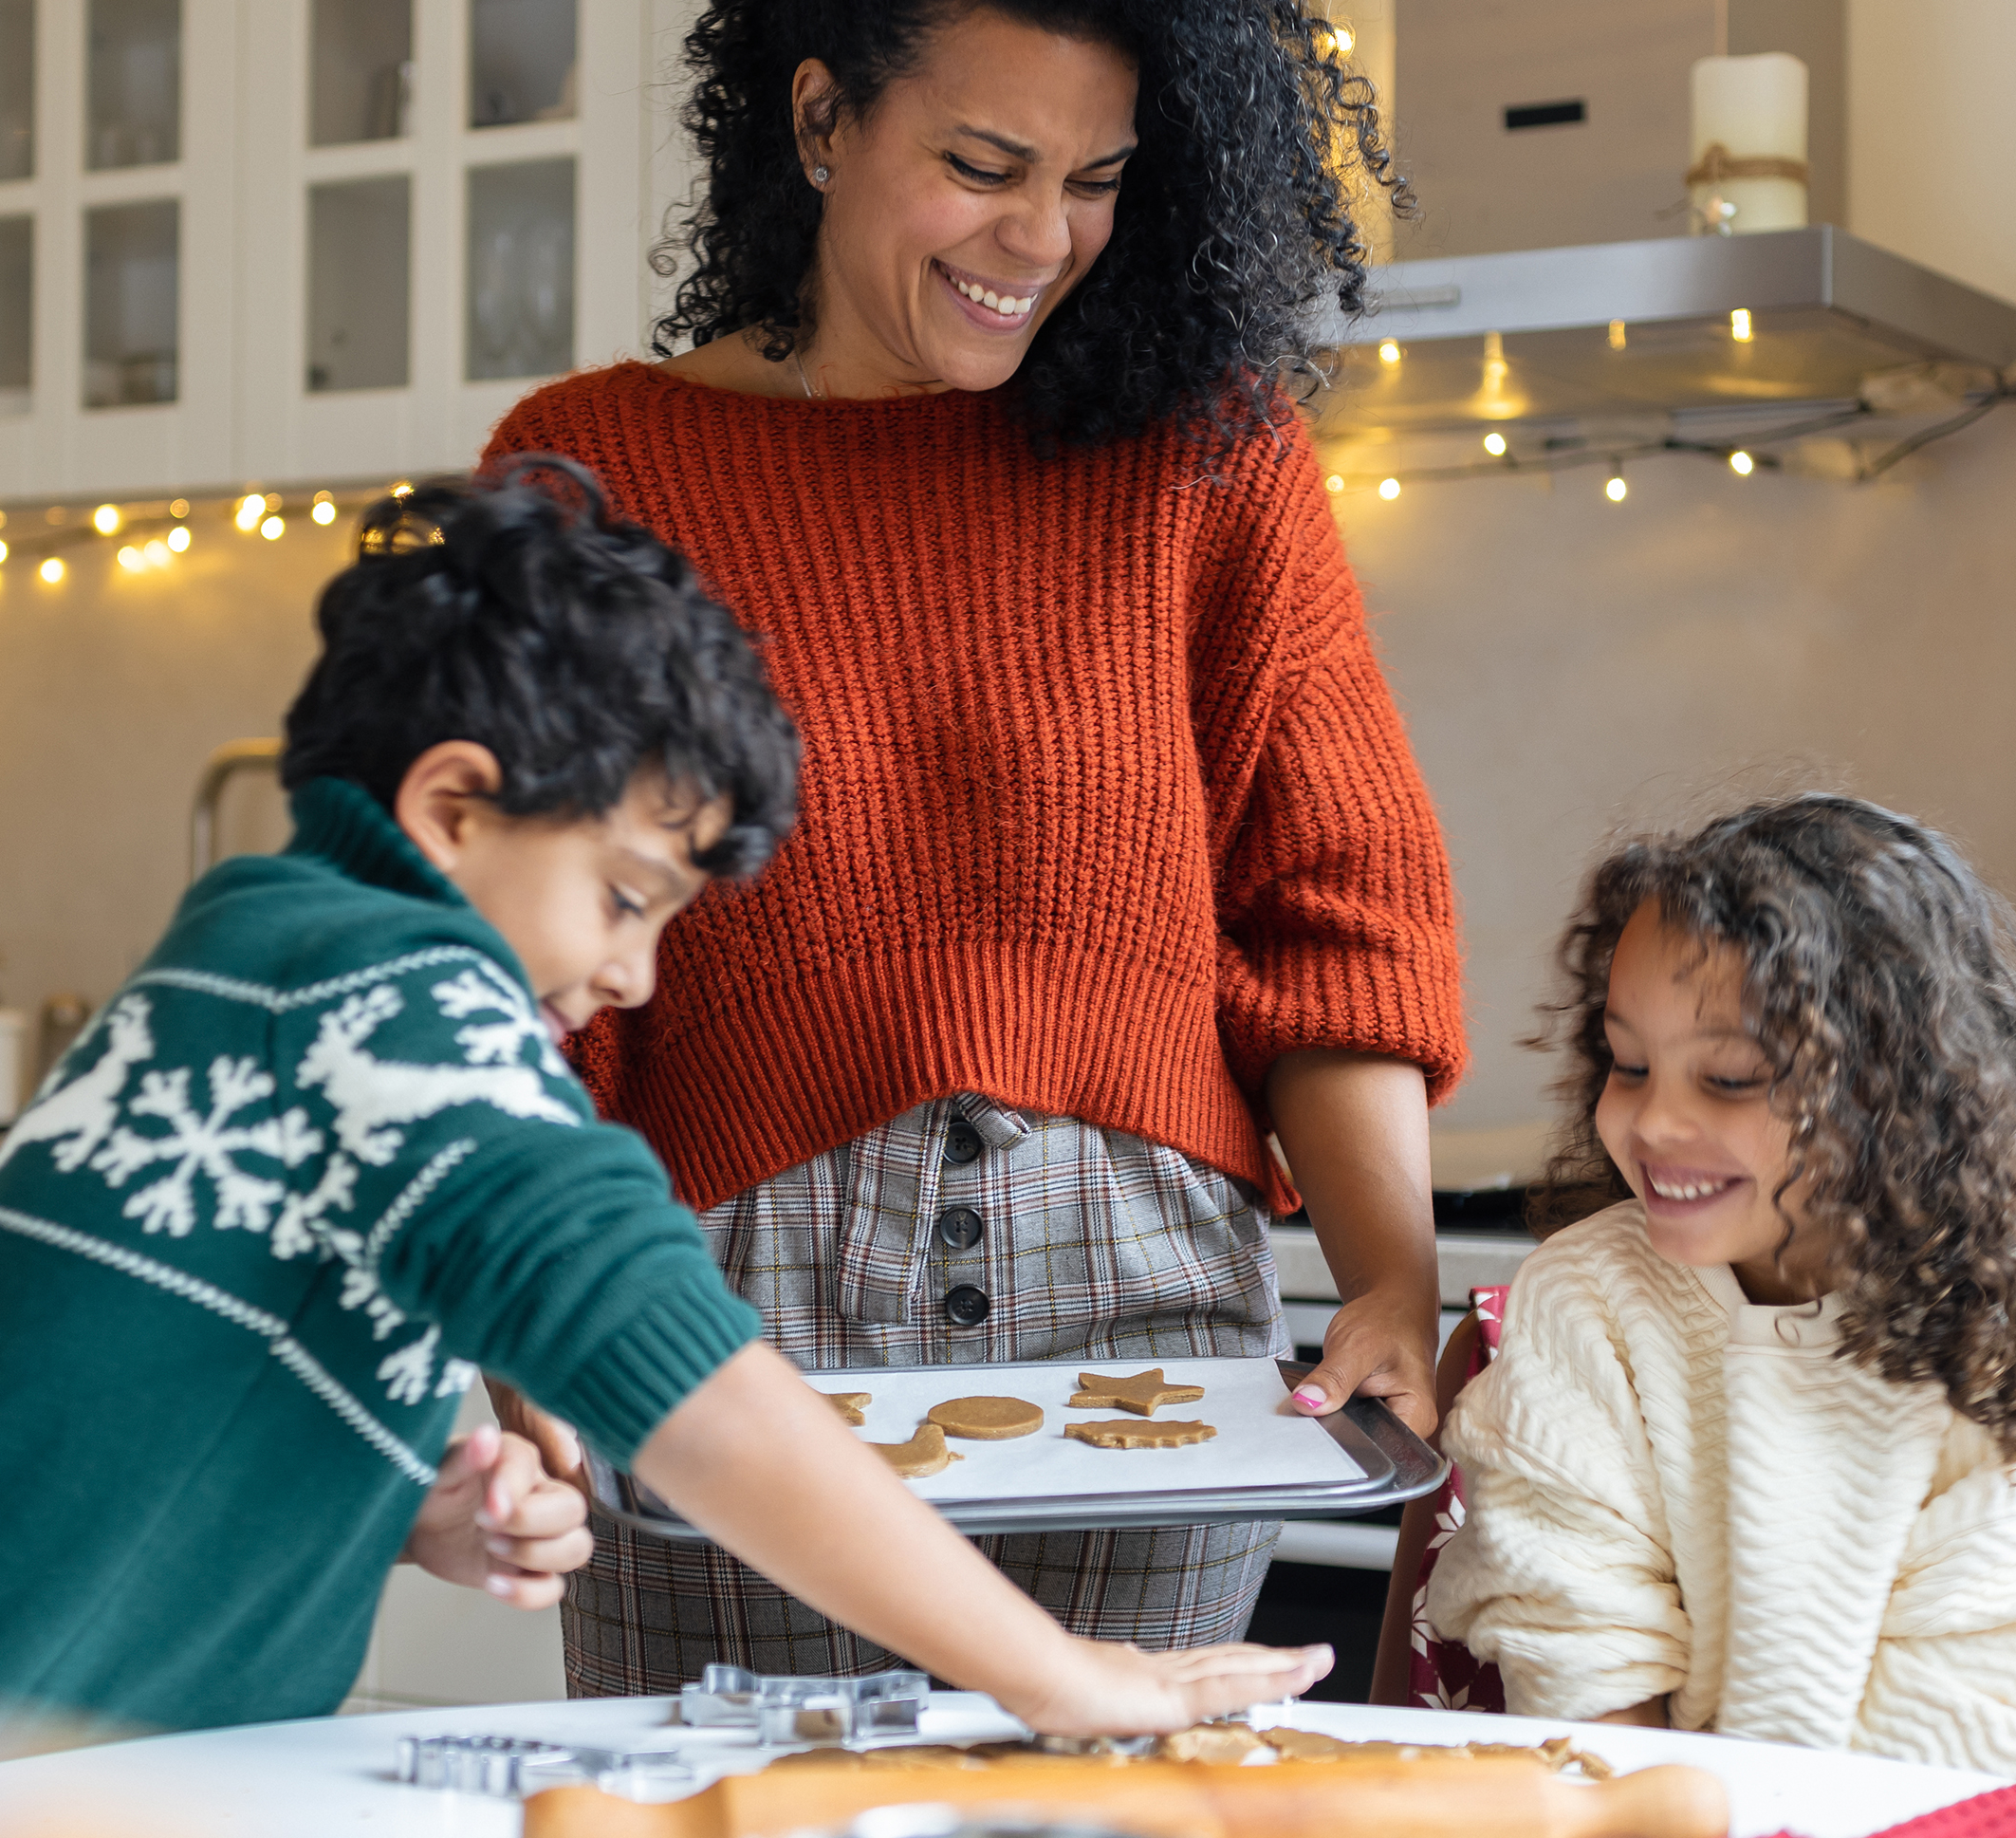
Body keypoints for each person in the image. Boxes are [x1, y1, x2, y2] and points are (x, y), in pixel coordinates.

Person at [0, 464, 1329, 1743]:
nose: (632, 977)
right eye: (625, 898)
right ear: (454, 808)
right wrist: (1057, 1673)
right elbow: (681, 1364)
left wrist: (386, 1502)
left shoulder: (251, 947)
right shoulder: (396, 996)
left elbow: (136, 1398)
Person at [480, 0, 1464, 1696]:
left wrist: (1390, 1272)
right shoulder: (589, 474)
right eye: (983, 165)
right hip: (726, 1334)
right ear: (817, 121)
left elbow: (1331, 898)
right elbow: (498, 968)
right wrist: (524, 1301)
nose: (1042, 238)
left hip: (1145, 1339)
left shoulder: (1208, 454)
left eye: (1095, 180)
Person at [1427, 795, 2016, 1783]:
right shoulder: (1582, 1302)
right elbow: (1575, 1645)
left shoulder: (2012, 1324)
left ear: (1895, 1092)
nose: (1653, 1118)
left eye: (1733, 1077)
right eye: (1629, 1061)